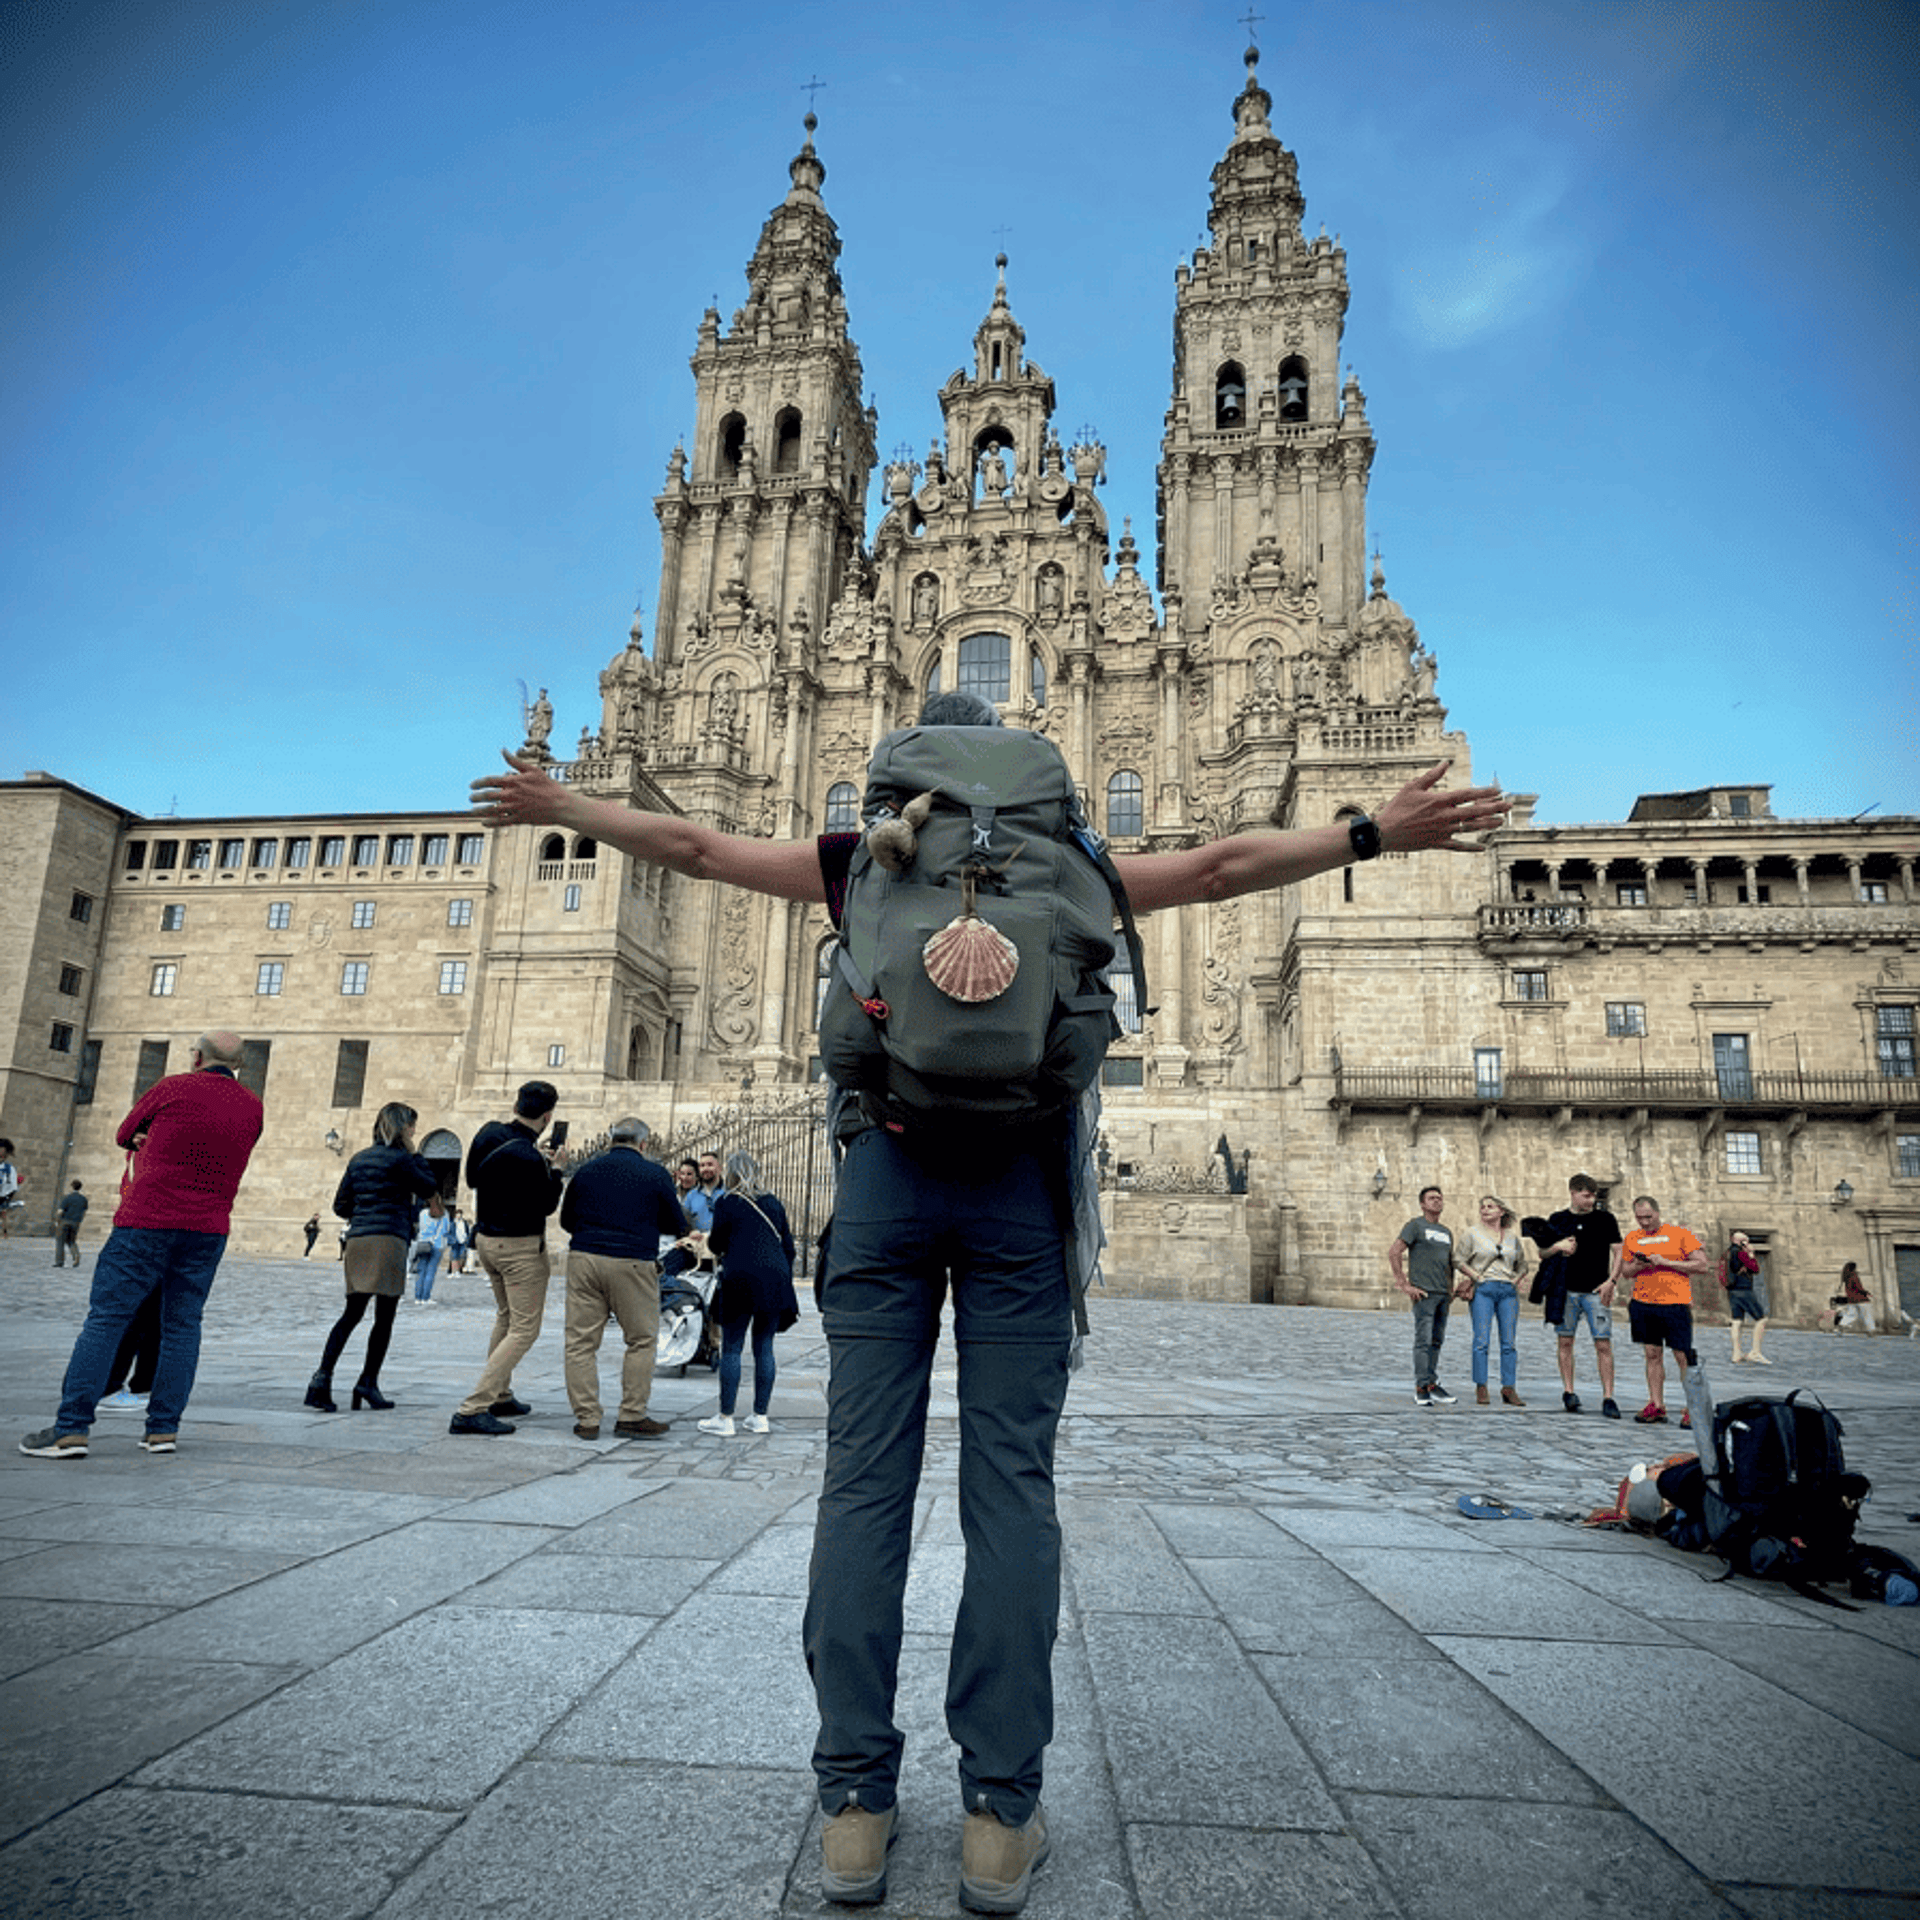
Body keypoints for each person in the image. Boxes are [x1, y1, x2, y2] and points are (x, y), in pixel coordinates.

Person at [472, 699, 1507, 1911]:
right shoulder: (1073, 863)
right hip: (1022, 1191)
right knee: (1013, 1491)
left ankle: (854, 1807)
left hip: (887, 1181)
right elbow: (1224, 867)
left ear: (908, 774)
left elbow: (697, 849)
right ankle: (999, 1818)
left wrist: (562, 806)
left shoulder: (862, 862)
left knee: (863, 1488)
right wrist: (1374, 834)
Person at [19, 1031, 264, 1459]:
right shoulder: (252, 1106)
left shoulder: (173, 1087)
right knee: (182, 1326)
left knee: (106, 1319)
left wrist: (146, 1139)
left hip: (147, 1221)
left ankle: (71, 1428)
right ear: (239, 1064)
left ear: (196, 1057)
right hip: (207, 1229)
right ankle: (163, 1430)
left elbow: (124, 1133)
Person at [557, 1115, 689, 1439]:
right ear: (643, 1143)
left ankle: (587, 1419)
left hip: (585, 1258)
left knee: (580, 1343)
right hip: (633, 1261)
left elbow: (566, 1220)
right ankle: (631, 1414)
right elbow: (676, 1224)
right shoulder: (655, 1174)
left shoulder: (586, 1171)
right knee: (641, 1340)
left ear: (610, 1139)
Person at [450, 1081, 564, 1435]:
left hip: (486, 1241)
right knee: (525, 1328)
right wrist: (556, 1170)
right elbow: (546, 1205)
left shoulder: (489, 1133)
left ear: (516, 1106)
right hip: (519, 1248)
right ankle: (473, 1407)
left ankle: (500, 1394)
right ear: (547, 1117)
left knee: (506, 1317)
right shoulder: (530, 1157)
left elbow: (472, 1178)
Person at [308, 1103, 438, 1412]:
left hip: (359, 1240)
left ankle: (321, 1379)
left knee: (351, 1313)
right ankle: (368, 1381)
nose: (414, 1131)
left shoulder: (359, 1158)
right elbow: (429, 1186)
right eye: (412, 1126)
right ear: (403, 1128)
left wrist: (365, 1211)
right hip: (388, 1238)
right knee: (384, 1316)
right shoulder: (403, 1160)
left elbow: (341, 1205)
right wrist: (416, 1155)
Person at [699, 1150, 799, 1437]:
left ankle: (726, 1417)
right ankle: (760, 1416)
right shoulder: (773, 1203)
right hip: (774, 1280)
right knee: (764, 1346)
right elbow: (788, 1247)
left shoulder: (727, 1202)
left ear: (731, 1173)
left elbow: (716, 1244)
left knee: (732, 1347)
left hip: (739, 1279)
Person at [1537, 1172, 1623, 1418]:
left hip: (1596, 1290)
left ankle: (1608, 1396)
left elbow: (1619, 1251)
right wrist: (1558, 1246)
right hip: (1565, 1291)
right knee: (1565, 1341)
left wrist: (1612, 1281)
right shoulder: (1558, 1219)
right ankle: (1569, 1391)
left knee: (1603, 1343)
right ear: (1573, 1193)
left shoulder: (1605, 1219)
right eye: (1586, 1196)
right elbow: (1543, 1252)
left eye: (1594, 1195)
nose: (1591, 1200)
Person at [1620, 1196, 1710, 1426]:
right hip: (1643, 1302)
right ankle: (1656, 1404)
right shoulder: (1633, 1238)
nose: (1644, 1222)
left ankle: (1693, 1407)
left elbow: (1702, 1265)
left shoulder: (1680, 1234)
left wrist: (1666, 1262)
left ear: (1658, 1213)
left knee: (1682, 1355)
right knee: (1652, 1353)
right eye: (1639, 1218)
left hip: (1675, 1303)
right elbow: (1626, 1272)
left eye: (1648, 1217)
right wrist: (1638, 1265)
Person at [1456, 1194, 1530, 1407]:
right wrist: (1476, 1276)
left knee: (1509, 1343)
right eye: (1483, 1207)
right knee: (1481, 1341)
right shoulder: (1472, 1233)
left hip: (1508, 1291)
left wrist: (1516, 1279)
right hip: (1483, 1289)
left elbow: (1522, 1264)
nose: (1485, 1210)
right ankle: (1481, 1385)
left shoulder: (1511, 1237)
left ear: (1501, 1211)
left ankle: (1509, 1387)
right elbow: (1458, 1259)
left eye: (1490, 1206)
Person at [1388, 1186, 1457, 1407]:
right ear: (1422, 1204)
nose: (1437, 1201)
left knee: (1436, 1341)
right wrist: (1403, 1283)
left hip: (1442, 1294)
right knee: (1423, 1341)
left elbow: (1449, 1263)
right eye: (1432, 1198)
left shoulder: (1446, 1232)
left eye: (1439, 1198)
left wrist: (1451, 1290)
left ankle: (1431, 1384)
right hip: (1424, 1294)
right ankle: (1421, 1387)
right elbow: (1394, 1251)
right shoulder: (1415, 1226)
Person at [1723, 1230, 1770, 1362]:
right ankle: (1755, 1351)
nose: (1748, 1243)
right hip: (1744, 1290)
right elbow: (1755, 1269)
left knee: (1736, 1321)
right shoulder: (1741, 1253)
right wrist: (1751, 1254)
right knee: (1761, 1319)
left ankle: (1736, 1353)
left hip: (1732, 1290)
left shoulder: (1727, 1253)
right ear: (1742, 1242)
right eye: (1746, 1241)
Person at [410, 1195, 453, 1305]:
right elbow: (445, 1230)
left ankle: (417, 1297)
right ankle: (426, 1297)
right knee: (431, 1271)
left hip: (423, 1243)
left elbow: (420, 1228)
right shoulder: (444, 1213)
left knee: (421, 1270)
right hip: (437, 1244)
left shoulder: (423, 1213)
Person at [1820, 1261, 1876, 1333]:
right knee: (1867, 1314)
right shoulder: (1854, 1276)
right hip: (1860, 1298)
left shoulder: (1846, 1277)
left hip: (1851, 1299)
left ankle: (1842, 1324)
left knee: (1851, 1315)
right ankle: (1871, 1330)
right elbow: (1858, 1287)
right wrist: (1866, 1293)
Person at [54, 1179, 90, 1267]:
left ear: (72, 1186)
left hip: (65, 1221)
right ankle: (76, 1255)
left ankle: (59, 1261)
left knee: (60, 1241)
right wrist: (79, 1220)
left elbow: (60, 1211)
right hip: (76, 1222)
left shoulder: (67, 1197)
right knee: (71, 1240)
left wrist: (57, 1221)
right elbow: (84, 1212)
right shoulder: (83, 1199)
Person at [0, 1138, 20, 1237]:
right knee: (3, 1214)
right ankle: (5, 1232)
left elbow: (12, 1186)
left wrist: (7, 1197)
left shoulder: (9, 1168)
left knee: (3, 1214)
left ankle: (5, 1232)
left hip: (3, 1195)